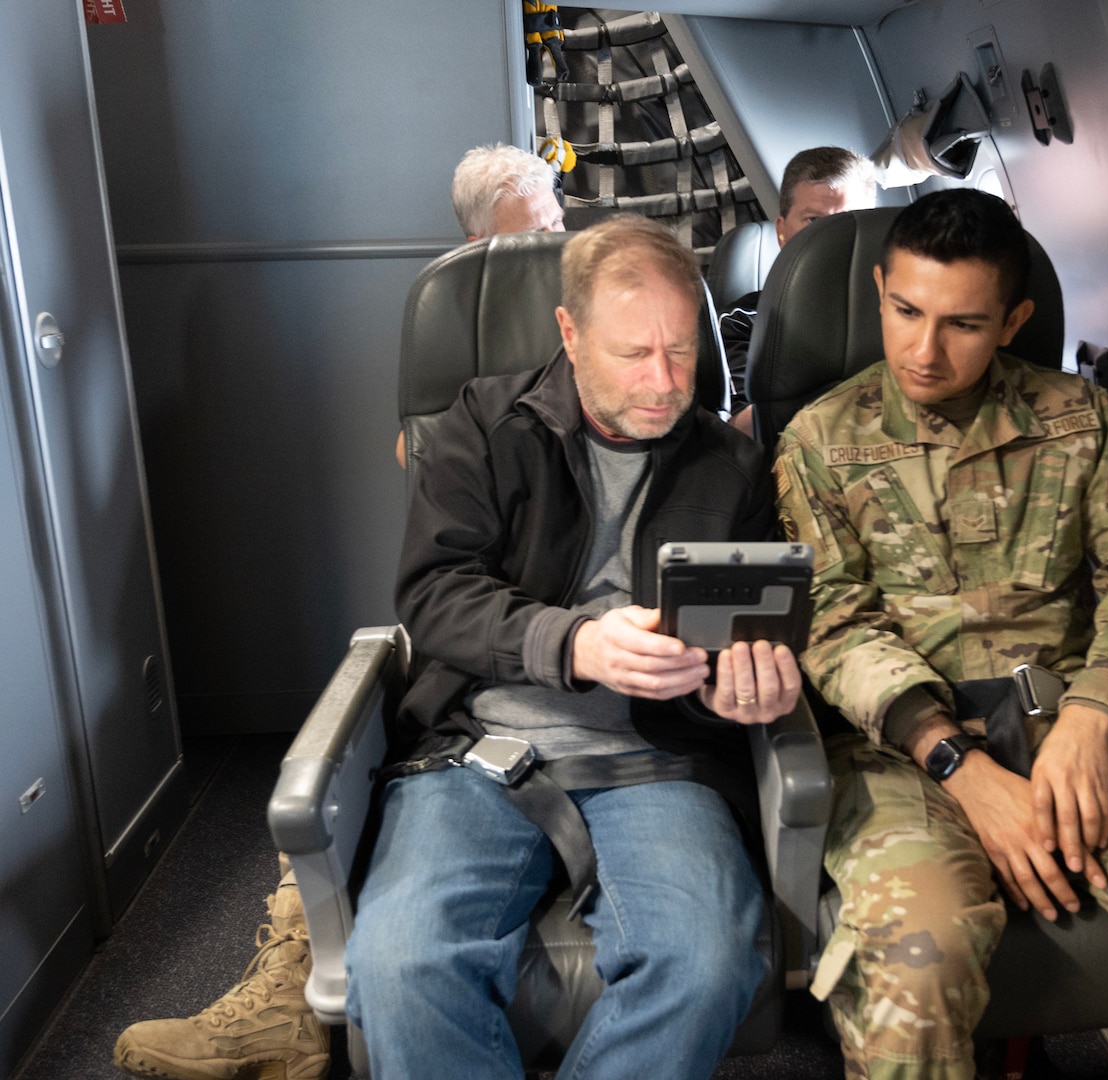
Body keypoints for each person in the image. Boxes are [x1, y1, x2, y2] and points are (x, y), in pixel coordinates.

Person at [115, 215, 799, 1080]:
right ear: (568, 332)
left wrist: (746, 689)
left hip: (658, 758)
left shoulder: (728, 468)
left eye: (680, 352)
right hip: (480, 749)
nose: (665, 383)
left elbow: (739, 644)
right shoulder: (482, 425)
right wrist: (576, 643)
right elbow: (433, 596)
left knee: (704, 966)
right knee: (399, 966)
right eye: (634, 354)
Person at [773, 189, 1108, 1080]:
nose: (922, 349)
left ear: (1015, 319)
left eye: (963, 324)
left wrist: (1093, 718)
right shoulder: (820, 442)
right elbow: (831, 621)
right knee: (919, 957)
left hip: (1080, 726)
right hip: (907, 755)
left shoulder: (1081, 422)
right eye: (905, 311)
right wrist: (959, 764)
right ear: (878, 288)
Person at [394, 143, 568, 469]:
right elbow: (411, 448)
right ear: (481, 244)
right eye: (534, 234)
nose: (556, 242)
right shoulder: (453, 312)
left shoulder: (597, 292)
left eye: (557, 222)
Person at [719, 146, 876, 431]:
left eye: (846, 221)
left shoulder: (906, 313)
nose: (829, 237)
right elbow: (741, 427)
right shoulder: (743, 322)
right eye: (814, 221)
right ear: (782, 231)